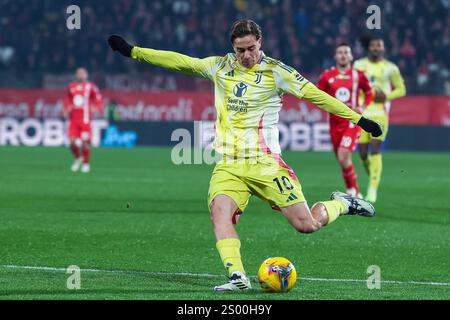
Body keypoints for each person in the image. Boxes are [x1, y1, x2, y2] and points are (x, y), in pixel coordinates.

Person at [108, 20, 382, 291]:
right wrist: (134, 51)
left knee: (306, 225)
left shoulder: (277, 72)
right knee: (219, 213)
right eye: (241, 50)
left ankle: (341, 204)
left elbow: (317, 95)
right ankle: (238, 276)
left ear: (260, 43)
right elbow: (181, 61)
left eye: (251, 48)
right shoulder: (220, 66)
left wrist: (358, 119)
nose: (247, 55)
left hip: (266, 164)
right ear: (233, 48)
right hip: (229, 165)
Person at [317, 43, 374, 198]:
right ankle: (354, 192)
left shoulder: (358, 75)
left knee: (343, 156)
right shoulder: (327, 76)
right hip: (334, 123)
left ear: (351, 55)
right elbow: (317, 96)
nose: (343, 55)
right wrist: (326, 107)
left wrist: (362, 106)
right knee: (343, 160)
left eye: (346, 52)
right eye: (340, 52)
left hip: (352, 121)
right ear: (335, 56)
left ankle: (352, 192)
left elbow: (369, 93)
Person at [354, 37, 406, 203]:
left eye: (379, 45)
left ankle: (372, 190)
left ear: (383, 49)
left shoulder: (391, 68)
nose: (376, 48)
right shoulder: (358, 65)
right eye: (373, 45)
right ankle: (374, 177)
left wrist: (386, 96)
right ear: (369, 48)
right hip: (362, 112)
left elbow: (402, 89)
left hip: (380, 112)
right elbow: (352, 84)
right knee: (363, 154)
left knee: (375, 148)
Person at [63, 68, 103, 173]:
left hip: (85, 120)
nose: (81, 75)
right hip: (73, 120)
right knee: (71, 143)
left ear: (86, 75)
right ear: (76, 75)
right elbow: (68, 100)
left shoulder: (91, 87)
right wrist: (66, 109)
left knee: (85, 143)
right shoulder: (71, 87)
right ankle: (78, 157)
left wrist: (96, 108)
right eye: (79, 73)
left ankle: (86, 164)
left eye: (83, 73)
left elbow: (98, 99)